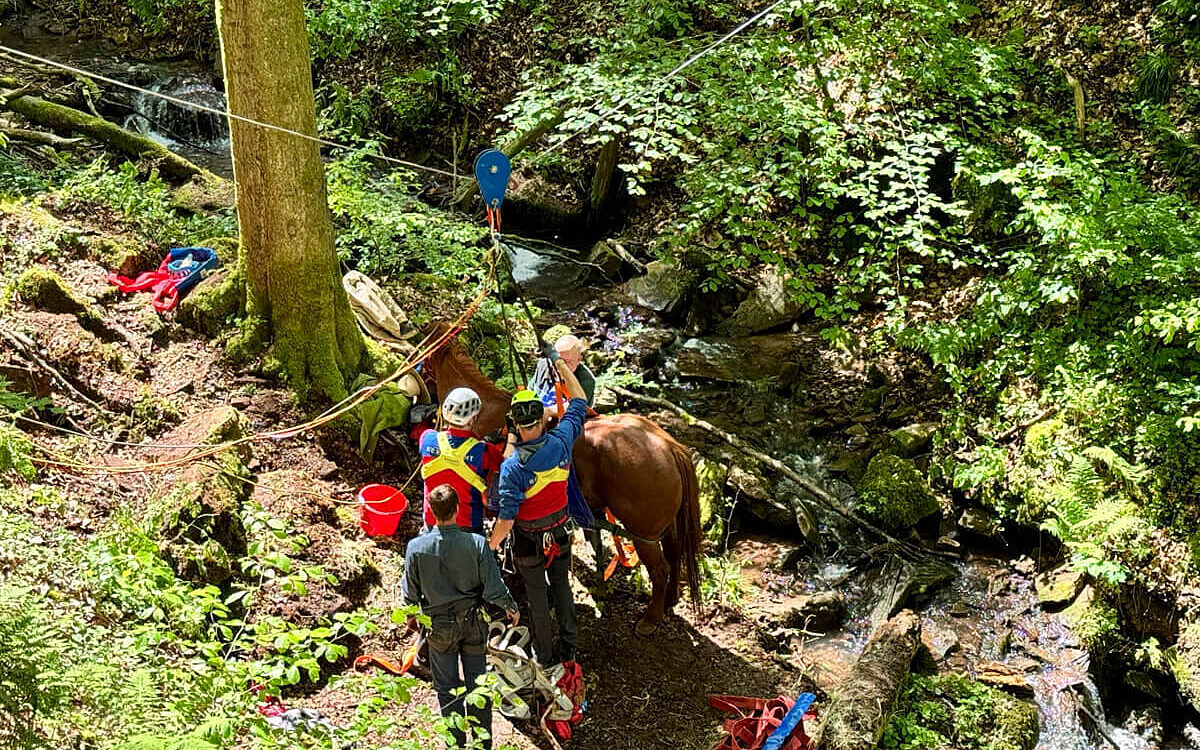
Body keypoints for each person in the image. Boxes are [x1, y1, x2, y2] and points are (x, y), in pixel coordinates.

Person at [489, 346, 588, 666]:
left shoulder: (513, 467)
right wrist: (558, 362)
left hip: (529, 541)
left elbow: (506, 519)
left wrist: (490, 545)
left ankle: (544, 654)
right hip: (559, 532)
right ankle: (569, 645)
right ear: (543, 418)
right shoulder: (561, 439)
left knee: (536, 597)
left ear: (515, 424)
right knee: (561, 587)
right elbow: (579, 398)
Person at [403, 484, 520, 749]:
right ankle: (482, 743)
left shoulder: (416, 548)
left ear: (431, 512)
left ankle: (454, 744)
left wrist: (412, 619)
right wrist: (510, 607)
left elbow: (409, 593)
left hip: (438, 628)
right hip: (473, 624)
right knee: (478, 686)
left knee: (447, 689)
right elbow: (493, 587)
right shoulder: (476, 544)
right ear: (457, 509)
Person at [420, 387, 504, 535]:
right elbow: (506, 467)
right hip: (468, 527)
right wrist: (511, 439)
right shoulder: (484, 451)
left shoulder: (427, 438)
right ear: (473, 419)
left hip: (432, 523)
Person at [529, 334, 595, 410]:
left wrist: (548, 411)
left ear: (579, 360)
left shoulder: (586, 380)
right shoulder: (543, 365)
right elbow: (531, 390)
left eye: (567, 361)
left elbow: (578, 408)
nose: (559, 365)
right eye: (556, 359)